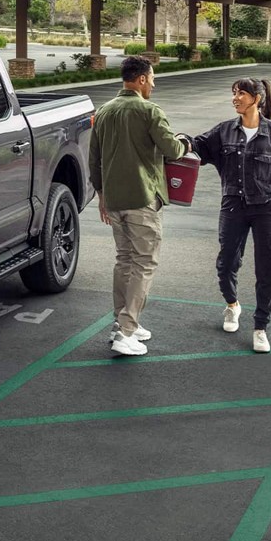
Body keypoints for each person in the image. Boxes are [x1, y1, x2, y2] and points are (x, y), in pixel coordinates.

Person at [190, 77, 271, 354]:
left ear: (257, 99)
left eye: (241, 94)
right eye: (233, 93)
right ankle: (232, 305)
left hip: (266, 209)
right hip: (233, 206)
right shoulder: (224, 131)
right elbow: (197, 145)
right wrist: (180, 141)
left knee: (266, 270)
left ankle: (260, 327)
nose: (235, 98)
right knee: (226, 263)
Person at [88, 57, 188, 356]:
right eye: (153, 78)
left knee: (125, 260)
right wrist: (186, 144)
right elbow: (172, 150)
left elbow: (94, 159)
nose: (154, 83)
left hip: (115, 200)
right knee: (144, 263)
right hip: (142, 199)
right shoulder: (149, 111)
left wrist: (102, 195)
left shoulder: (103, 112)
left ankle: (121, 324)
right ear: (142, 79)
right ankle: (127, 330)